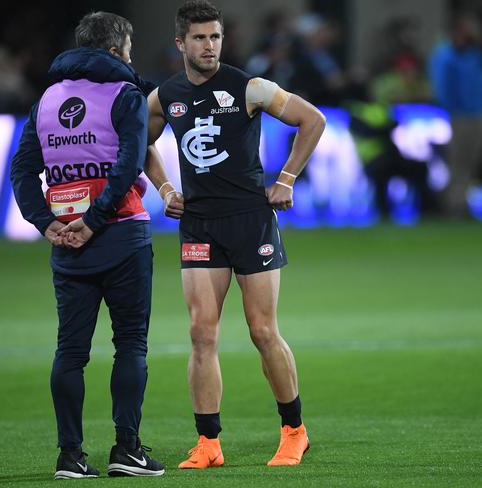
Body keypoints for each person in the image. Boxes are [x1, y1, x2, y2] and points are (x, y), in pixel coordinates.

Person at [146, 0, 325, 468]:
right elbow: (137, 143)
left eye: (217, 36)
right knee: (201, 334)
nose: (211, 46)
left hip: (251, 221)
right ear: (181, 43)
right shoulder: (166, 95)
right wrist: (164, 187)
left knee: (263, 330)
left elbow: (313, 119)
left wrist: (285, 180)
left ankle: (294, 431)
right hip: (199, 224)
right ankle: (208, 443)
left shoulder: (250, 87)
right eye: (201, 38)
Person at [10, 11, 166, 479]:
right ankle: (127, 450)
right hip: (120, 235)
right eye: (131, 47)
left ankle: (70, 456)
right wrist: (96, 221)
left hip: (67, 242)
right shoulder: (126, 95)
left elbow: (21, 170)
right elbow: (128, 165)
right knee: (131, 345)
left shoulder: (47, 101)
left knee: (70, 352)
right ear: (118, 50)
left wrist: (45, 223)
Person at [429, 12, 482, 218]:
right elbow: (442, 87)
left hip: (476, 112)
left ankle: (461, 199)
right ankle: (454, 204)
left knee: (471, 160)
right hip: (459, 115)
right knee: (458, 160)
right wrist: (450, 108)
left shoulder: (473, 54)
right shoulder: (446, 55)